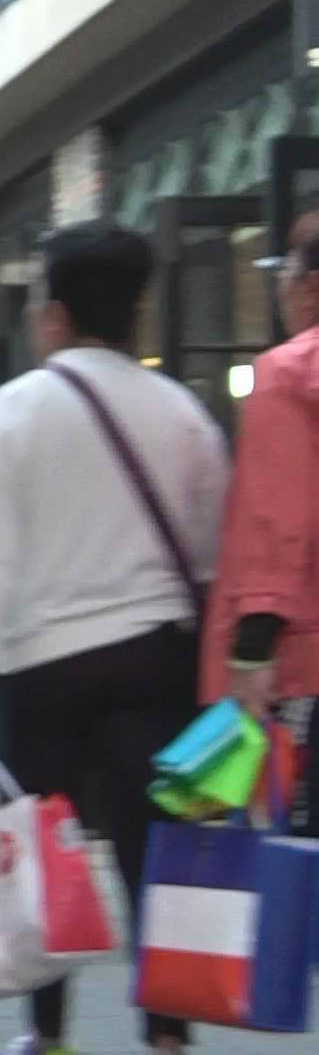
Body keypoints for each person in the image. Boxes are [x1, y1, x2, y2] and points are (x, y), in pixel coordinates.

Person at [0, 219, 228, 1055]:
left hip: (43, 667)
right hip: (154, 660)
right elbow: (210, 554)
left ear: (55, 314)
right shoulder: (183, 414)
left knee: (45, 856)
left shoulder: (15, 412)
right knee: (159, 858)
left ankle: (50, 1046)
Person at [203, 210, 319, 817]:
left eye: (284, 274)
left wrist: (250, 651)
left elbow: (277, 521)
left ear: (311, 286)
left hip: (305, 661)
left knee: (292, 845)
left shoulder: (288, 376)